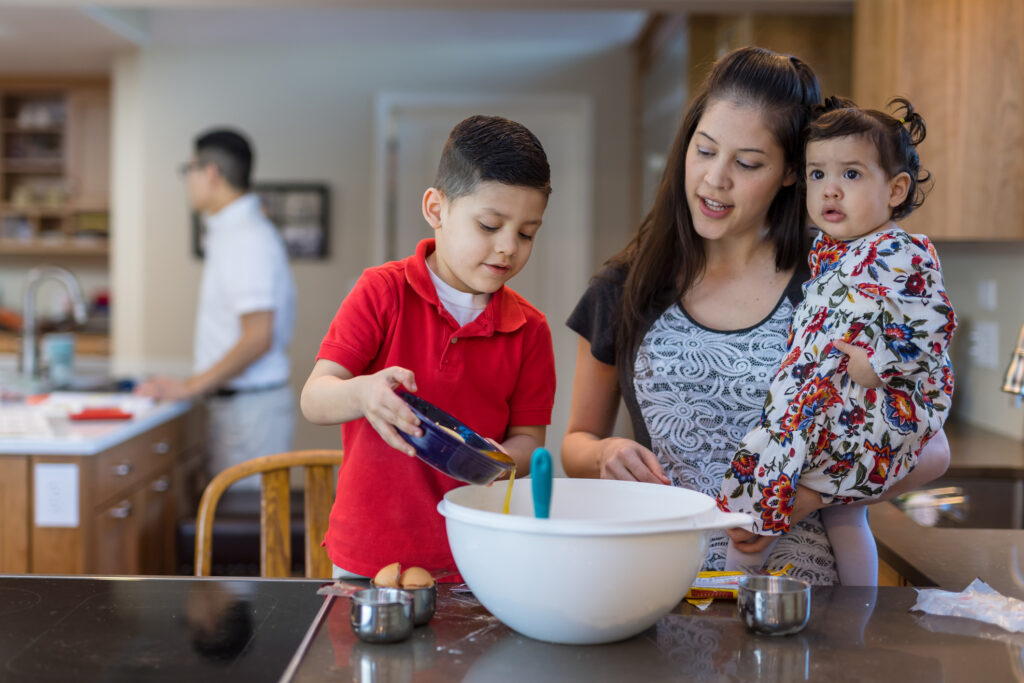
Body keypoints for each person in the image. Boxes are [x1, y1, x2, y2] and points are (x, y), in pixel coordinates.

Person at [562, 46, 950, 584]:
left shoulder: (836, 281)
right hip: (656, 587)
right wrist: (603, 453)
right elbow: (576, 442)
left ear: (793, 173)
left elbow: (930, 448)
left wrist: (807, 497)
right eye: (705, 151)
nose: (714, 179)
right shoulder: (623, 287)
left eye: (747, 163)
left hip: (803, 604)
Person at [301, 115, 556, 580]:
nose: (507, 248)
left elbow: (528, 444)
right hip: (369, 554)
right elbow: (315, 398)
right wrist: (362, 393)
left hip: (479, 558)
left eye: (526, 233)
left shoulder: (530, 329)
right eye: (490, 225)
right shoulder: (382, 292)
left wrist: (489, 460)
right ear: (436, 209)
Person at [717, 97, 957, 585]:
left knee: (763, 501)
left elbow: (936, 326)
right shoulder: (833, 251)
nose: (830, 190)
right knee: (817, 512)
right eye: (818, 175)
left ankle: (746, 597)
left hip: (863, 408)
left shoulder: (897, 250)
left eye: (850, 175)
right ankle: (749, 598)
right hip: (821, 405)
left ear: (895, 189)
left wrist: (881, 366)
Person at [137, 128, 297, 488]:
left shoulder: (246, 238)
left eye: (189, 170)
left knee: (253, 534)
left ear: (210, 173)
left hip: (249, 413)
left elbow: (258, 337)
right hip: (240, 408)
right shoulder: (234, 234)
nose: (187, 181)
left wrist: (189, 386)